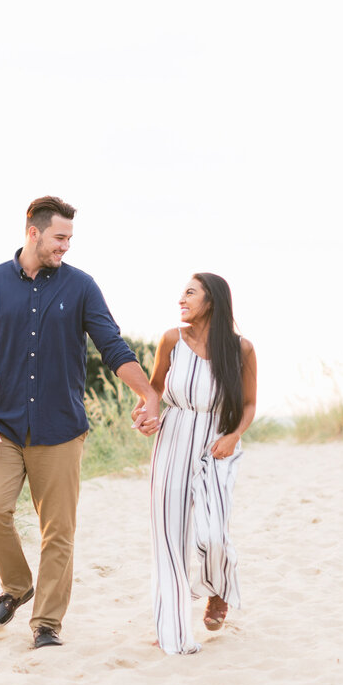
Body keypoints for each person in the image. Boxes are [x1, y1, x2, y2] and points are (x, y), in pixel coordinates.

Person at [0, 196, 161, 650]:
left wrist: (147, 393)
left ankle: (46, 623)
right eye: (59, 238)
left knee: (58, 530)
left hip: (61, 427)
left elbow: (112, 344)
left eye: (70, 239)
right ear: (32, 232)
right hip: (2, 426)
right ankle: (16, 587)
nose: (66, 247)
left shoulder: (81, 286)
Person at [135, 273, 257, 655]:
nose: (181, 300)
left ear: (212, 301)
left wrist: (234, 436)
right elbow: (154, 389)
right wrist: (145, 414)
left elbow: (250, 402)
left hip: (216, 442)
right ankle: (171, 626)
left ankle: (218, 588)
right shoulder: (172, 340)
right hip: (172, 438)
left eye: (190, 293)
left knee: (213, 534)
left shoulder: (241, 350)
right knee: (169, 538)